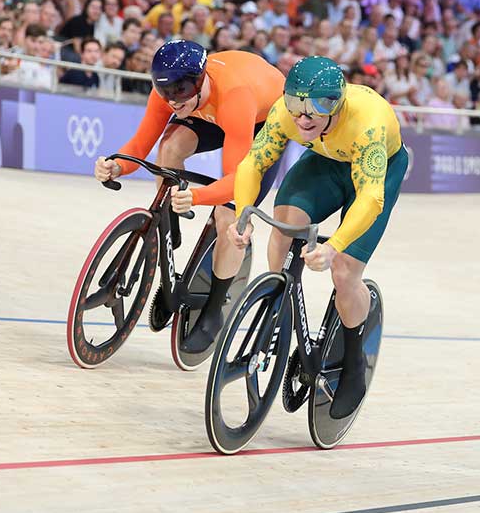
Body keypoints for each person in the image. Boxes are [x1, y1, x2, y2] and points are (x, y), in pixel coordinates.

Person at [228, 56, 407, 419]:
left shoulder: (368, 122)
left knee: (343, 271)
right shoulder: (285, 114)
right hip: (326, 161)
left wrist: (334, 246)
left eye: (317, 107)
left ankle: (355, 360)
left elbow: (371, 197)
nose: (303, 117)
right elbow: (252, 164)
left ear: (337, 103)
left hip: (375, 172)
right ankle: (276, 306)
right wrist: (242, 214)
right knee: (284, 225)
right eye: (295, 105)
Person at [93, 40, 286, 354]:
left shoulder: (235, 97)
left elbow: (238, 181)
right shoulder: (171, 93)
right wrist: (117, 165)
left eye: (180, 92)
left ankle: (213, 310)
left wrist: (197, 197)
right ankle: (169, 225)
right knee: (169, 149)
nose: (172, 102)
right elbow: (141, 147)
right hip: (210, 108)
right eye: (165, 93)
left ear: (199, 81)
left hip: (262, 118)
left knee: (229, 217)